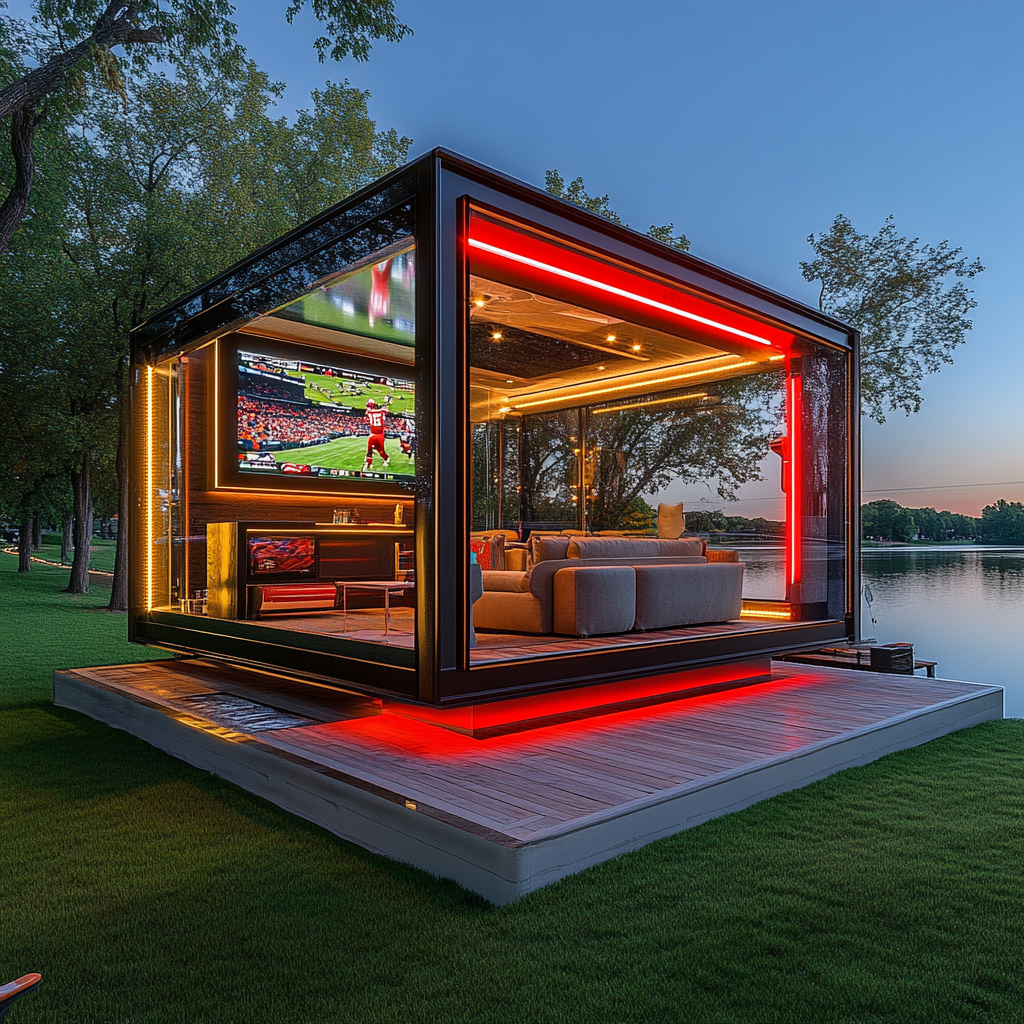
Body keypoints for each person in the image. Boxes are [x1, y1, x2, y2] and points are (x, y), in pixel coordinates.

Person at [363, 399, 390, 471]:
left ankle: (386, 459)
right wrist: (382, 407)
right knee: (369, 449)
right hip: (376, 433)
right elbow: (386, 410)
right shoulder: (382, 411)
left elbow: (369, 411)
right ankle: (369, 463)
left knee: (380, 450)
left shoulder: (369, 412)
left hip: (378, 434)